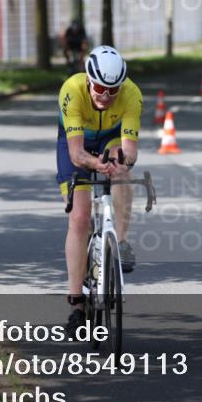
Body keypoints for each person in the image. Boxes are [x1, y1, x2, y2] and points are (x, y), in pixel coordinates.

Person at [56, 46, 142, 333]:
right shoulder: (72, 90)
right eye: (100, 88)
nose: (105, 96)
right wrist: (95, 164)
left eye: (112, 90)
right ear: (89, 80)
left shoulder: (132, 95)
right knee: (79, 218)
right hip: (77, 141)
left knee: (121, 168)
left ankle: (123, 241)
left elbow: (130, 152)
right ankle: (77, 303)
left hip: (110, 138)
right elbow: (76, 153)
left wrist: (119, 163)